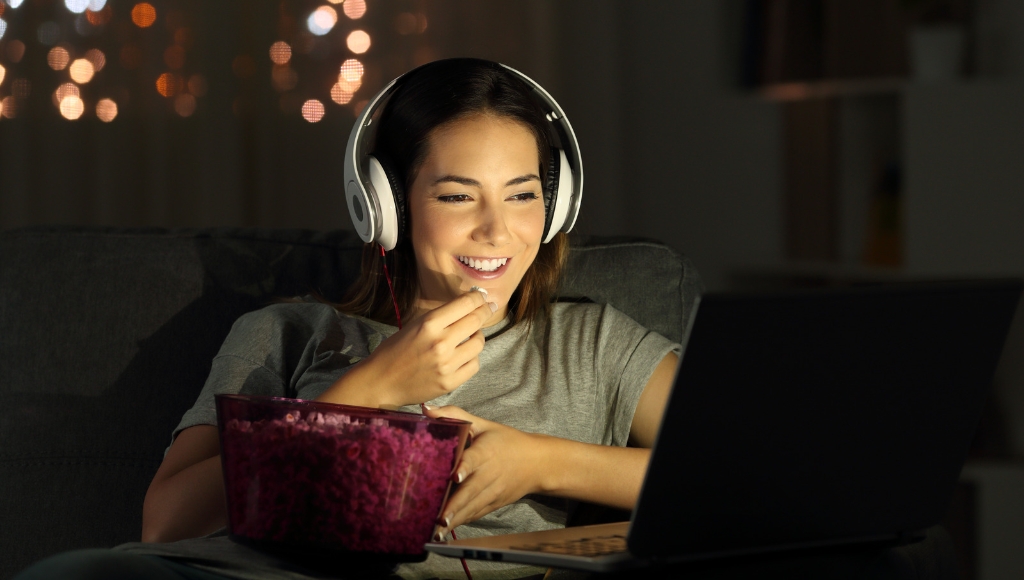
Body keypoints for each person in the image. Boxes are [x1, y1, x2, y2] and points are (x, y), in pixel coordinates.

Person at [14, 58, 681, 580]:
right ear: (384, 204)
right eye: (456, 195)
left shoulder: (593, 345)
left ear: (556, 204)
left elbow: (740, 477)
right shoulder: (287, 333)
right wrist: (365, 393)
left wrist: (541, 463)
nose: (497, 230)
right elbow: (167, 525)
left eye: (523, 194)